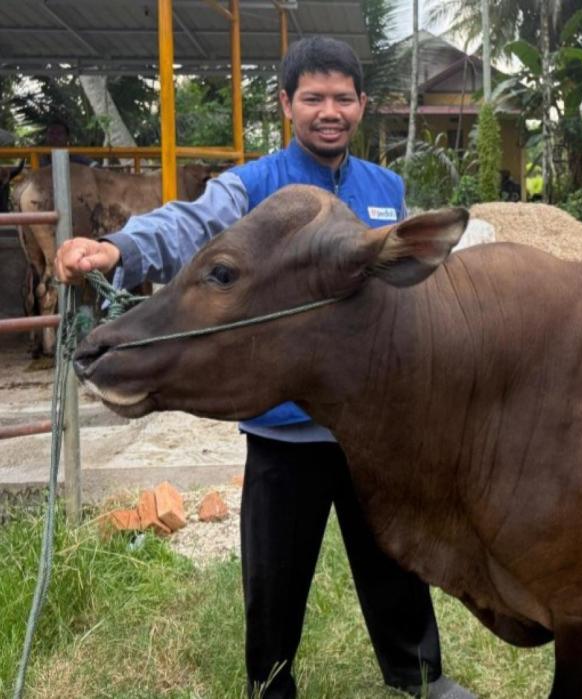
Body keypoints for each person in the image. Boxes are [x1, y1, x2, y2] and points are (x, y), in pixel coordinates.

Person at [54, 37, 474, 699]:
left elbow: (418, 293)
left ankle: (419, 674)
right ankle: (270, 685)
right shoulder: (253, 187)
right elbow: (191, 227)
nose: (328, 111)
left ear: (362, 106)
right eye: (313, 98)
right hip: (286, 427)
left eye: (342, 97)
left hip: (375, 426)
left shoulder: (387, 189)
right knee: (275, 574)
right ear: (286, 104)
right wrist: (119, 250)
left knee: (394, 556)